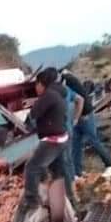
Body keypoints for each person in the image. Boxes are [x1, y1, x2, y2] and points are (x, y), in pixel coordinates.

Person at [22, 67, 70, 211]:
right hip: (62, 138)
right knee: (58, 172)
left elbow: (33, 114)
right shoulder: (56, 94)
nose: (36, 88)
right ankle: (65, 199)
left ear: (41, 84)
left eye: (36, 85)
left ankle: (32, 202)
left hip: (52, 140)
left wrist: (28, 123)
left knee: (32, 168)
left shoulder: (48, 96)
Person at [61, 70, 111, 179]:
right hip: (79, 115)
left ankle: (110, 165)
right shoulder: (69, 80)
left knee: (93, 140)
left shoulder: (68, 80)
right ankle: (77, 172)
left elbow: (82, 96)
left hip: (85, 115)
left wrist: (83, 113)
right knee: (76, 143)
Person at [52, 70, 84, 202]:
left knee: (63, 163)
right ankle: (73, 192)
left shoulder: (53, 93)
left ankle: (70, 196)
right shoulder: (65, 89)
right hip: (68, 129)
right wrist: (75, 119)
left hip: (60, 132)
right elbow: (79, 99)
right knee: (68, 161)